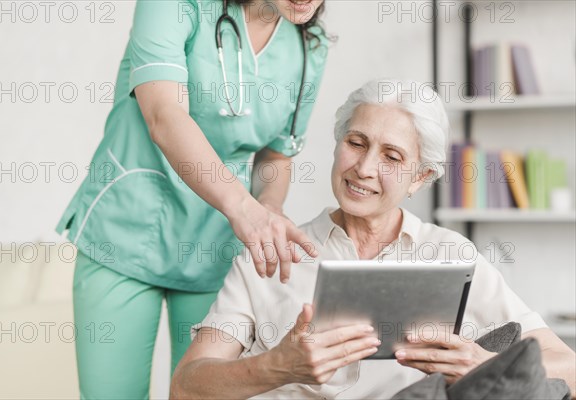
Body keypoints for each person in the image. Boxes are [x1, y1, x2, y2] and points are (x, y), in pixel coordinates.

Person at [171, 79, 576, 399]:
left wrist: (480, 361)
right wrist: (277, 366)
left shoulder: (451, 254)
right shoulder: (272, 253)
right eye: (356, 143)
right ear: (337, 145)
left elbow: (567, 367)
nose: (364, 168)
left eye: (392, 157)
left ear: (421, 178)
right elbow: (185, 388)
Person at [55, 0, 329, 397]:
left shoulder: (310, 44)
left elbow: (277, 153)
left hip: (217, 243)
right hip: (127, 228)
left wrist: (267, 208)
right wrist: (244, 209)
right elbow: (164, 115)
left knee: (204, 392)